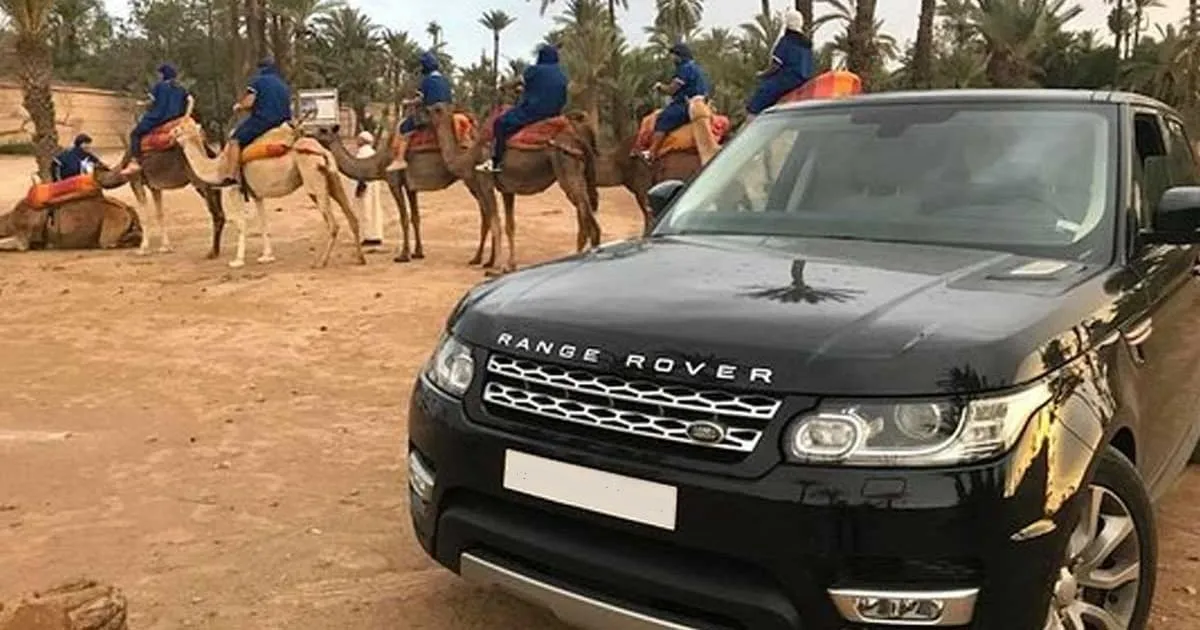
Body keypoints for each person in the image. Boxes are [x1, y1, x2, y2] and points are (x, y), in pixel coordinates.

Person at [477, 44, 568, 174]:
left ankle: (495, 162)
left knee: (500, 123)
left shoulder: (534, 70)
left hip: (534, 111)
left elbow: (517, 81)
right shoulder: (561, 74)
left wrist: (504, 86)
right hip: (555, 112)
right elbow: (547, 90)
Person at [221, 57, 293, 183]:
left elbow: (250, 101)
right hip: (284, 121)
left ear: (260, 69)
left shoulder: (258, 82)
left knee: (235, 140)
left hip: (264, 120)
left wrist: (239, 106)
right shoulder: (282, 84)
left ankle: (231, 175)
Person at [643, 43, 709, 162]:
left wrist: (660, 87)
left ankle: (651, 153)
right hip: (702, 104)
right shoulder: (696, 68)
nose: (672, 58)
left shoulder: (685, 69)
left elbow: (672, 89)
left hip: (687, 105)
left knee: (663, 118)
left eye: (673, 55)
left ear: (679, 56)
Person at [120, 63, 191, 175]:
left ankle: (135, 162)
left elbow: (151, 101)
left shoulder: (159, 86)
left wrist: (141, 103)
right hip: (175, 119)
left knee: (135, 134)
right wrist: (187, 116)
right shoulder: (181, 89)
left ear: (163, 75)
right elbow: (191, 100)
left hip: (157, 118)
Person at [388, 50, 454, 172]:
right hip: (447, 113)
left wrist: (408, 102)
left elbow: (422, 100)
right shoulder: (445, 80)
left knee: (404, 127)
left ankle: (400, 159)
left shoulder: (427, 81)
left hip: (432, 115)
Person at [745, 10, 814, 125]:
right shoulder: (807, 45)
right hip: (804, 80)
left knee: (763, 93)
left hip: (786, 79)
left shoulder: (786, 41)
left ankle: (752, 121)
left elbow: (776, 66)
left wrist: (762, 74)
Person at [352, 131, 386, 248]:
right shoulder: (372, 152)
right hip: (374, 184)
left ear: (363, 140)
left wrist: (360, 185)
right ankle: (376, 235)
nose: (357, 141)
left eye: (359, 139)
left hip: (365, 184)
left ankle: (368, 236)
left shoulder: (363, 153)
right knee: (374, 208)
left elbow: (361, 170)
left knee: (365, 209)